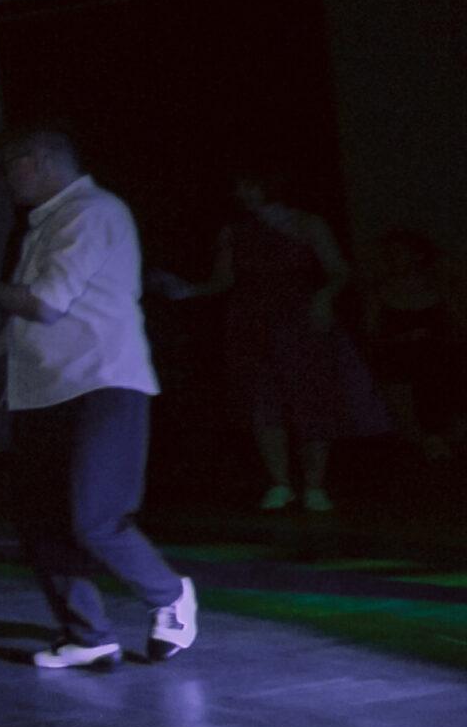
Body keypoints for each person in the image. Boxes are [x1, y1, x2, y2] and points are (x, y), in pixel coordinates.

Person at [0, 128, 198, 669]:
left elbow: (44, 305)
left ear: (41, 159)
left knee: (94, 517)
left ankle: (169, 594)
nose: (5, 178)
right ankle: (86, 635)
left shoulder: (90, 212)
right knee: (44, 523)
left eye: (11, 165)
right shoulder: (46, 223)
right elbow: (27, 313)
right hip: (42, 391)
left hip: (102, 381)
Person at [152, 175, 386, 510]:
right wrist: (187, 290)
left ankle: (315, 485)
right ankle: (280, 483)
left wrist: (325, 295)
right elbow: (223, 281)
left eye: (250, 185)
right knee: (263, 402)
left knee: (310, 398)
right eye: (239, 187)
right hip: (250, 320)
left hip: (299, 318)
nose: (242, 193)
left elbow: (339, 270)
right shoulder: (234, 231)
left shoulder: (307, 223)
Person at [361, 227, 463, 461]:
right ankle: (432, 436)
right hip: (398, 354)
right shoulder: (380, 292)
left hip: (438, 351)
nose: (394, 258)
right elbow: (371, 337)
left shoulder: (438, 288)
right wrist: (404, 338)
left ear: (418, 255)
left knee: (436, 357)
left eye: (400, 252)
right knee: (424, 359)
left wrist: (436, 335)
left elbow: (457, 327)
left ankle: (440, 433)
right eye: (391, 253)